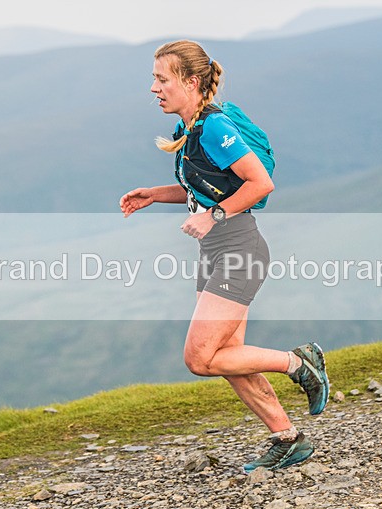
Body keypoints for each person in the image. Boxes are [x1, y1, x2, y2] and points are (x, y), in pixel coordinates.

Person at [119, 39, 330, 472]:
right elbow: (210, 186)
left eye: (162, 79)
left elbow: (258, 184)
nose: (154, 88)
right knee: (228, 356)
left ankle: (298, 362)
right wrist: (156, 195)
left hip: (239, 248)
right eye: (154, 79)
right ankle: (287, 438)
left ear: (190, 81)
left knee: (199, 358)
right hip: (217, 250)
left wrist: (214, 215)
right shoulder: (189, 129)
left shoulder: (214, 127)